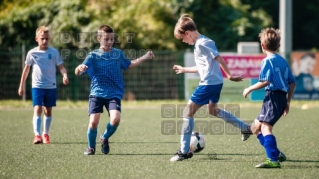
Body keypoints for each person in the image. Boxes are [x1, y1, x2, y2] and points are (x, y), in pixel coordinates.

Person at [170, 14, 252, 162]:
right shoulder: (201, 43)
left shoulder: (203, 42)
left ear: (187, 33)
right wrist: (184, 69)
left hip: (208, 84)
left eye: (183, 39)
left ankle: (184, 152)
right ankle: (245, 127)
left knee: (187, 111)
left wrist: (230, 75)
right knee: (213, 110)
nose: (184, 41)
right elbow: (202, 67)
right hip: (214, 83)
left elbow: (219, 58)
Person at [75, 25, 154, 155]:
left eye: (112, 39)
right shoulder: (92, 56)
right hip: (97, 93)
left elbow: (130, 65)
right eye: (106, 39)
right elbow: (77, 72)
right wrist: (79, 67)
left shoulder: (118, 54)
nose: (110, 42)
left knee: (115, 119)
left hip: (114, 94)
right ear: (99, 38)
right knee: (93, 122)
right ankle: (91, 147)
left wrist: (145, 56)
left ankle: (104, 137)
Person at [243, 27, 296, 168]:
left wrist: (249, 88)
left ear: (262, 45)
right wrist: (288, 102)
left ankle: (273, 160)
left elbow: (265, 81)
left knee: (266, 128)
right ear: (278, 46)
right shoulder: (282, 60)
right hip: (279, 98)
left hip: (273, 97)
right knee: (255, 128)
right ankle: (276, 153)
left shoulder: (267, 61)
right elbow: (292, 82)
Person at [18, 26, 69, 144]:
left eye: (47, 38)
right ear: (37, 39)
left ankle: (45, 133)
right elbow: (26, 70)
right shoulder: (32, 53)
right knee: (38, 108)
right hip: (37, 86)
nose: (45, 41)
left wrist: (65, 75)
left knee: (48, 110)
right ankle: (37, 135)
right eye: (42, 38)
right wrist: (21, 85)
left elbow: (61, 67)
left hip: (50, 86)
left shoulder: (54, 52)